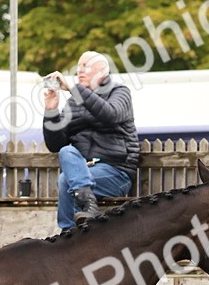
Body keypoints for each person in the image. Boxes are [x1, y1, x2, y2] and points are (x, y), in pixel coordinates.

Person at [42, 51, 139, 229]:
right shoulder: (73, 103)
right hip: (83, 171)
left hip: (116, 173)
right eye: (78, 67)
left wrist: (73, 89)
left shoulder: (120, 92)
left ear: (102, 71)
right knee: (66, 151)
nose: (79, 71)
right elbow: (55, 145)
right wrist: (51, 111)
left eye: (85, 66)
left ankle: (67, 234)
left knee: (66, 180)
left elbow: (110, 115)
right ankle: (88, 204)